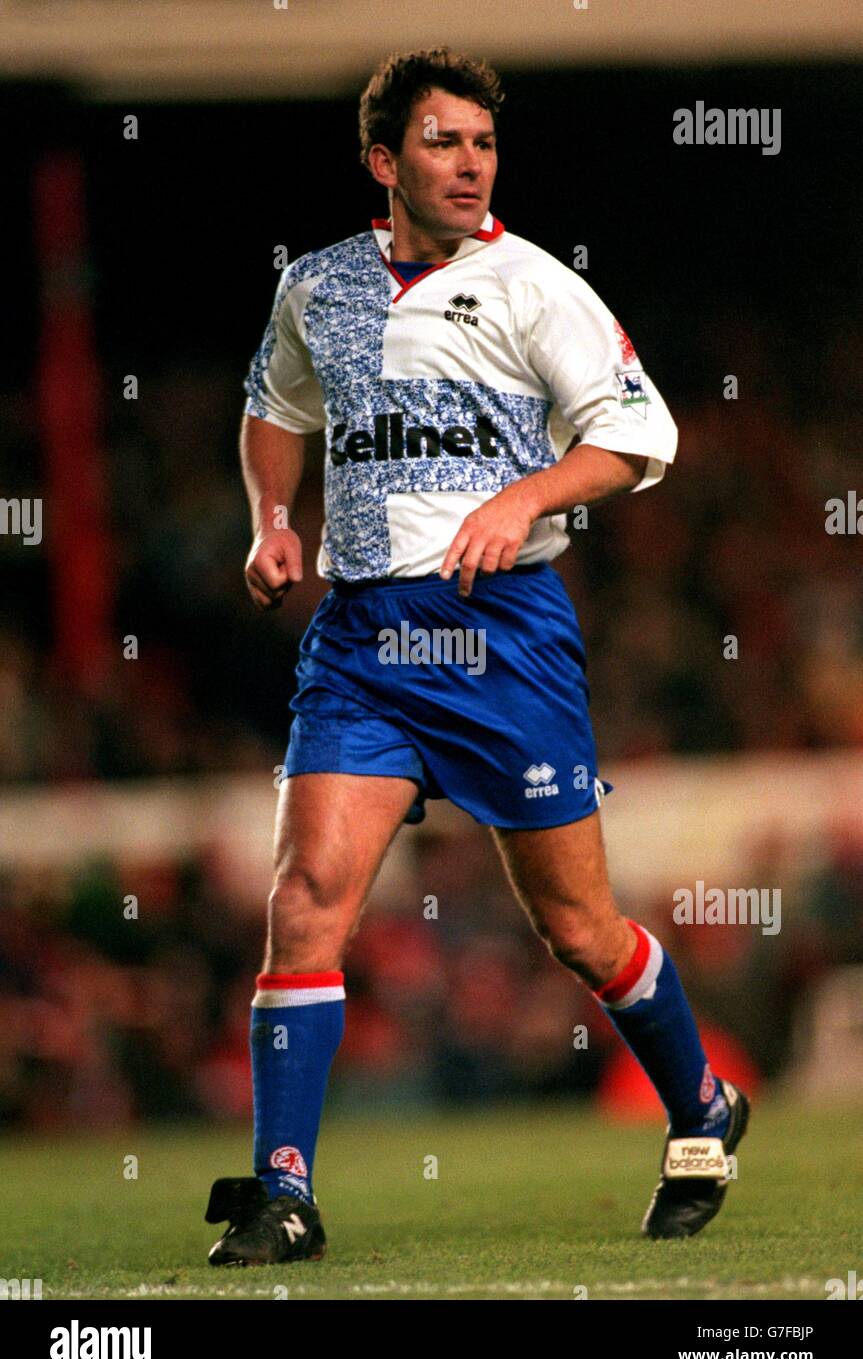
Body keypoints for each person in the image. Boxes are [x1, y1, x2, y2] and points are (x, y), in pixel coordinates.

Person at [205, 47, 748, 1266]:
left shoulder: (536, 286)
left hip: (502, 636)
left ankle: (700, 1109)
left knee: (579, 930)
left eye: (483, 144)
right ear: (383, 161)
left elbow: (636, 432)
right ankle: (282, 1190)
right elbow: (273, 407)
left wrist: (526, 498)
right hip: (360, 644)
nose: (469, 164)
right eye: (443, 143)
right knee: (304, 905)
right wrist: (273, 522)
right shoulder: (317, 289)